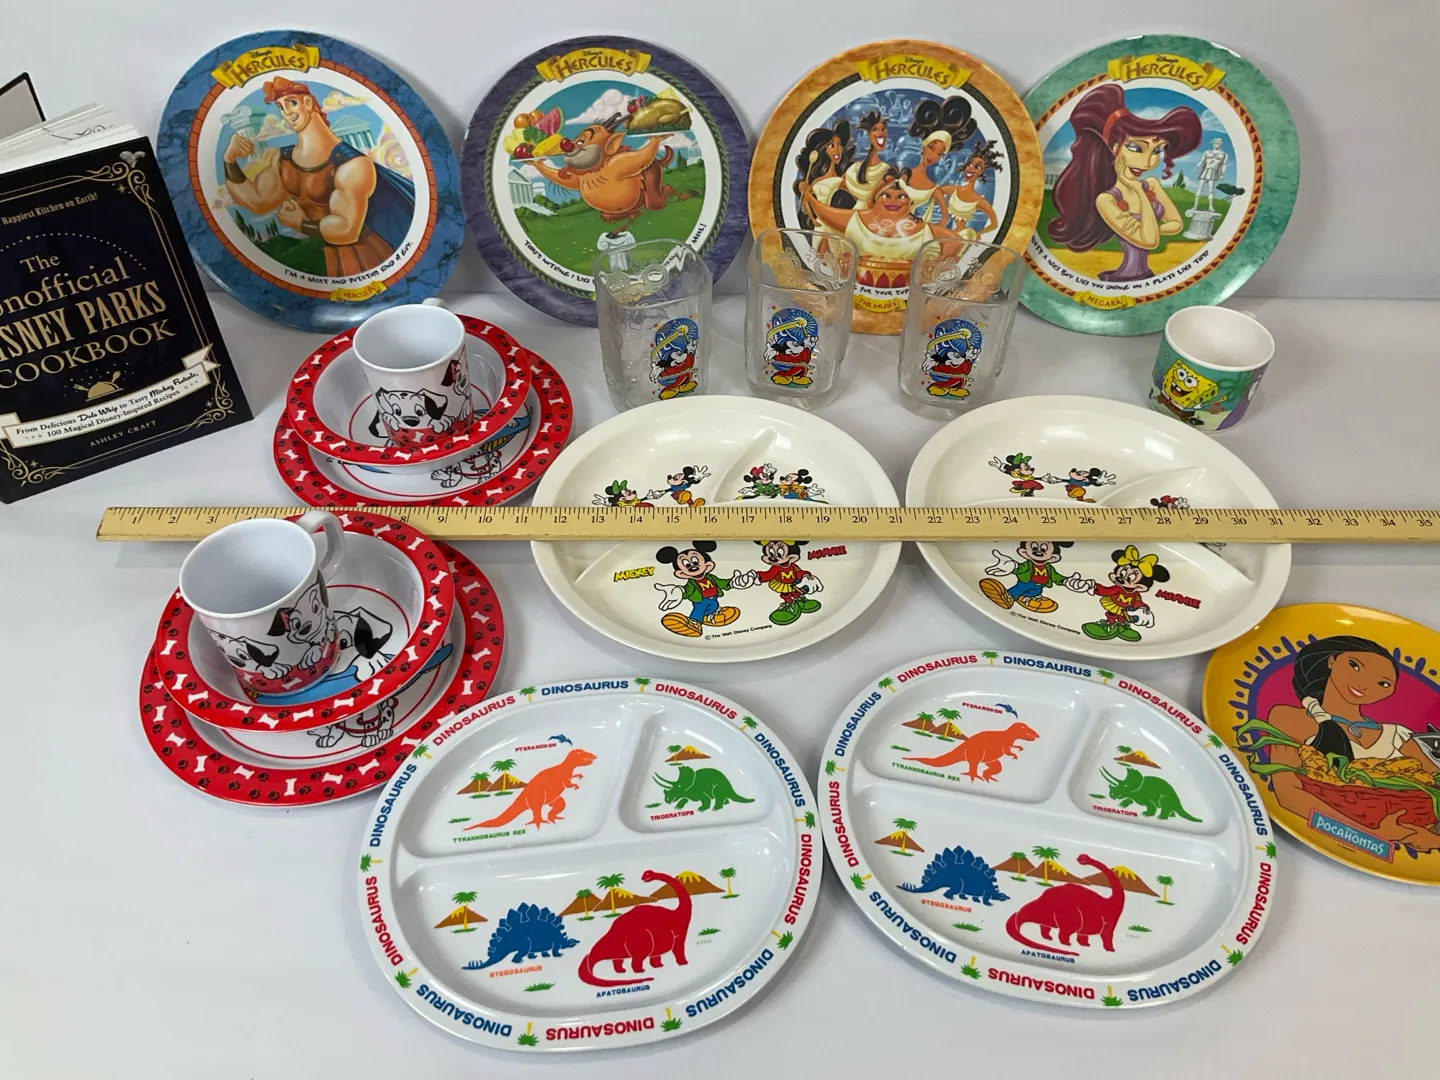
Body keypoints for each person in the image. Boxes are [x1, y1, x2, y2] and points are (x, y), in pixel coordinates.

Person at [221, 76, 415, 277]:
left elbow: (347, 230)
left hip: (364, 260)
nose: (287, 113)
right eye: (280, 107)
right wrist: (230, 160)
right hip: (325, 258)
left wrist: (300, 224)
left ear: (307, 103)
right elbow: (257, 201)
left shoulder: (353, 165)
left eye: (292, 103)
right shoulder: (284, 159)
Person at [1263, 636, 1440, 850]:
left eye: (1383, 684)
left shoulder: (1398, 735)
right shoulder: (1287, 717)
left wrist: (1431, 840)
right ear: (1332, 660)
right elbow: (1288, 795)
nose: (1364, 685)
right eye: (1355, 666)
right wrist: (1371, 836)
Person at [1047, 83, 1201, 282]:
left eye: (1157, 151)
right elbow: (1149, 241)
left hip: (1148, 278)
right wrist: (1137, 191)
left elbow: (1176, 224)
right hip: (1122, 280)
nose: (1148, 162)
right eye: (1136, 148)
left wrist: (1145, 226)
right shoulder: (1106, 200)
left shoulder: (1151, 184)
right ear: (1114, 147)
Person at [799, 166, 966, 272]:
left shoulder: (924, 229)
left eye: (901, 197)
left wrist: (939, 265)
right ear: (875, 200)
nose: (893, 201)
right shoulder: (855, 220)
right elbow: (825, 213)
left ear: (910, 202)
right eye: (886, 196)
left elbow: (955, 242)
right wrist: (808, 195)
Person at [898, 97, 976, 220]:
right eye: (931, 148)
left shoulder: (934, 185)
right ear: (924, 145)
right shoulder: (903, 168)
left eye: (940, 154)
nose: (933, 156)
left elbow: (944, 218)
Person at [793, 120, 857, 233]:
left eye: (839, 145)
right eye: (832, 145)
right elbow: (806, 200)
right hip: (822, 223)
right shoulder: (816, 181)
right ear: (824, 149)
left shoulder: (844, 177)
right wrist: (813, 220)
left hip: (839, 222)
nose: (837, 150)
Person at [937, 140, 1003, 240]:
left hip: (964, 235)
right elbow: (935, 192)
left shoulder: (979, 201)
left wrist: (979, 233)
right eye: (969, 164)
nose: (970, 168)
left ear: (981, 172)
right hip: (950, 232)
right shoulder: (953, 189)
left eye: (977, 166)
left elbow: (994, 224)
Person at [841, 111, 890, 206]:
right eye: (875, 130)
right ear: (868, 135)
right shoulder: (854, 168)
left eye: (883, 130)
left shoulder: (886, 170)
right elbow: (840, 188)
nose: (880, 133)